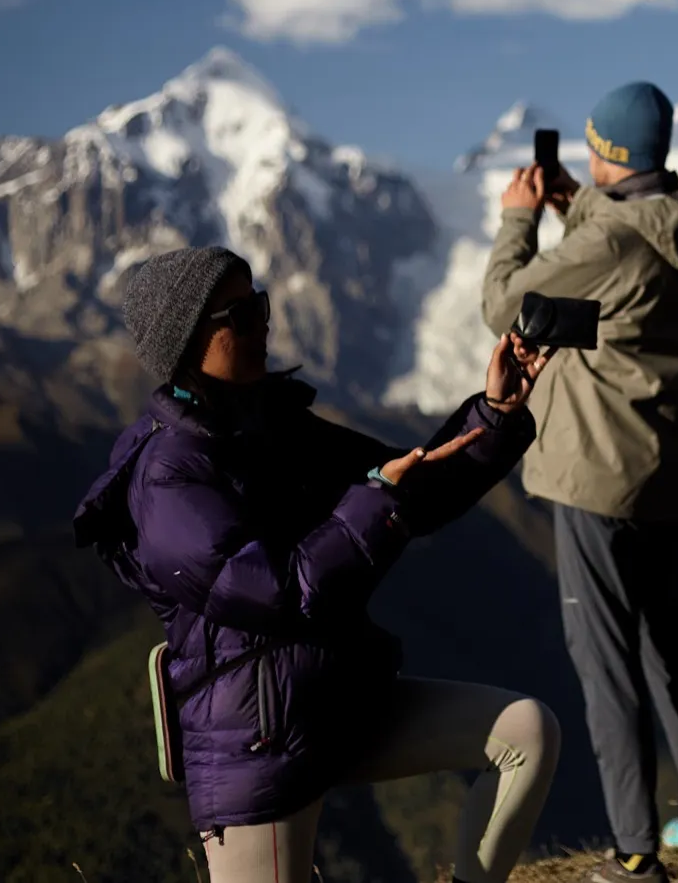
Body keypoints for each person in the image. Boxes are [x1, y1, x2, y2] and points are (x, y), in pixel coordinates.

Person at [72, 246, 561, 883]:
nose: (263, 323)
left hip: (335, 704)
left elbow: (408, 487)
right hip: (261, 742)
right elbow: (282, 593)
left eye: (259, 304)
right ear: (187, 341)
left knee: (527, 733)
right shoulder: (168, 475)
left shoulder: (274, 427)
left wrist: (495, 414)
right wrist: (375, 500)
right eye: (239, 315)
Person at [482, 81, 678, 883]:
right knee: (673, 659)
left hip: (593, 474)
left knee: (608, 669)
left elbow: (504, 306)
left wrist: (520, 219)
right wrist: (581, 204)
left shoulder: (614, 240)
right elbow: (626, 239)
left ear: (607, 153)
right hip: (664, 469)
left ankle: (635, 854)